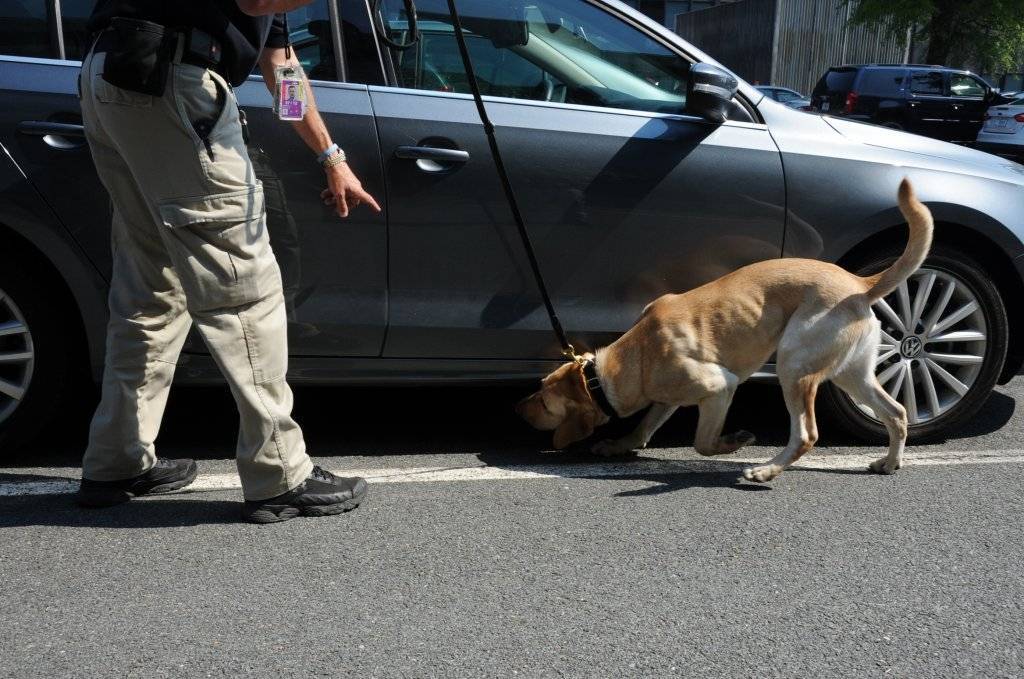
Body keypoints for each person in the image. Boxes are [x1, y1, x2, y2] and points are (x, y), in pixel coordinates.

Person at [75, 0, 381, 524]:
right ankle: (279, 474)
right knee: (243, 289)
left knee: (151, 286)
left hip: (117, 77)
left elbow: (281, 66)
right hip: (169, 80)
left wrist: (330, 156)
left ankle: (116, 460)